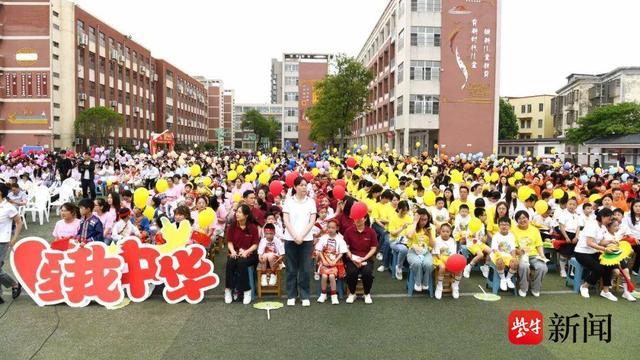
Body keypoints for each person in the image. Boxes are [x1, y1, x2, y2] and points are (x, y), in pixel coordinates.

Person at [282, 177, 317, 307]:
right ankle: (291, 295)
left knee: (305, 268)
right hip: (290, 239)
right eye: (301, 185)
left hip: (306, 240)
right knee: (291, 269)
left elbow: (312, 221)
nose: (304, 187)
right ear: (295, 187)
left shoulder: (311, 202)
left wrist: (301, 235)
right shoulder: (288, 201)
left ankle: (304, 295)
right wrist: (295, 236)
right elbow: (286, 220)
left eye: (305, 185)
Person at [574, 208, 618, 301]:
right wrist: (605, 249)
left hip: (593, 252)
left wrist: (611, 241)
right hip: (582, 252)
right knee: (599, 269)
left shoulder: (602, 227)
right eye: (609, 219)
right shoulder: (592, 225)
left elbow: (600, 241)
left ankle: (605, 291)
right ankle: (585, 286)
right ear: (602, 217)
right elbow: (589, 243)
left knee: (608, 263)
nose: (610, 221)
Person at [224, 204, 259, 305]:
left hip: (250, 255)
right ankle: (228, 290)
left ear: (246, 215)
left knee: (242, 262)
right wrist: (233, 252)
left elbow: (255, 244)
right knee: (230, 261)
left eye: (240, 212)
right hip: (235, 253)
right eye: (237, 212)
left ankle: (246, 291)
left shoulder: (252, 227)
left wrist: (247, 251)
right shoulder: (232, 226)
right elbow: (229, 242)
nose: (237, 214)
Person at [343, 212, 378, 304]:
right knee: (351, 272)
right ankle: (352, 293)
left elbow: (373, 248)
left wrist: (363, 258)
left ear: (365, 219)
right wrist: (352, 258)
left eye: (360, 217)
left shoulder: (371, 232)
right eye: (356, 218)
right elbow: (346, 247)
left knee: (367, 273)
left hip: (366, 258)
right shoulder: (348, 231)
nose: (358, 220)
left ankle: (366, 294)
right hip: (352, 258)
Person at [512, 210, 548, 297]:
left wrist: (542, 255)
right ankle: (523, 288)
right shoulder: (513, 231)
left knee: (542, 267)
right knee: (524, 266)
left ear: (528, 219)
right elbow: (514, 248)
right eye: (519, 218)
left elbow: (539, 244)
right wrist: (520, 252)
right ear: (516, 221)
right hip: (521, 255)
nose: (522, 220)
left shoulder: (535, 230)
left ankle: (535, 288)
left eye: (524, 218)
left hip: (534, 255)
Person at [0, 182, 23, 303]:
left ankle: (14, 284)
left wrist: (14, 239)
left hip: (2, 240)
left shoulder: (8, 207)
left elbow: (19, 222)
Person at [315, 219, 347, 304]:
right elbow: (319, 251)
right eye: (329, 227)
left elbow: (341, 253)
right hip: (324, 262)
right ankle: (323, 294)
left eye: (333, 228)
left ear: (337, 228)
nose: (330, 229)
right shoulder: (323, 238)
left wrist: (335, 261)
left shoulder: (340, 238)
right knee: (324, 276)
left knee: (332, 276)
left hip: (336, 262)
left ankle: (334, 295)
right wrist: (324, 260)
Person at [406, 208, 435, 294]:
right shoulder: (412, 226)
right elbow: (409, 236)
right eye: (421, 220)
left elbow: (433, 245)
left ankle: (425, 283)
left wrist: (429, 235)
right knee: (417, 263)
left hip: (426, 252)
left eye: (425, 219)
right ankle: (418, 283)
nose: (423, 222)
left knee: (428, 264)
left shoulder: (430, 228)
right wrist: (415, 222)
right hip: (413, 252)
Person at [432, 223, 461, 299]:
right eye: (443, 231)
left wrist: (451, 262)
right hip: (439, 258)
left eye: (447, 232)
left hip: (450, 259)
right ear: (439, 231)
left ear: (450, 232)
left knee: (460, 267)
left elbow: (453, 255)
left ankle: (455, 286)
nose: (445, 233)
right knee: (442, 267)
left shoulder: (453, 241)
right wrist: (445, 261)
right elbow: (437, 254)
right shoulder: (437, 240)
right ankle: (439, 286)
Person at [490, 217, 518, 291]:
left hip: (507, 255)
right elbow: (494, 250)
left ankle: (508, 278)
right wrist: (500, 257)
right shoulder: (496, 236)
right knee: (499, 261)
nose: (504, 226)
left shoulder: (511, 236)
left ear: (509, 226)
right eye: (502, 224)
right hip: (496, 255)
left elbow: (512, 249)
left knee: (515, 263)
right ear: (499, 226)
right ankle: (502, 279)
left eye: (506, 225)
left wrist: (514, 258)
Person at [556, 197, 581, 278]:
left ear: (576, 206)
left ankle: (571, 270)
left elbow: (578, 227)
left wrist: (576, 237)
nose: (572, 206)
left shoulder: (577, 215)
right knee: (564, 254)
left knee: (572, 255)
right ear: (566, 204)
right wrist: (566, 237)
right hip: (565, 234)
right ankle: (562, 270)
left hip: (574, 236)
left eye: (574, 204)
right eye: (570, 204)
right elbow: (561, 226)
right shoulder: (563, 213)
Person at [389, 200, 413, 280]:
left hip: (406, 240)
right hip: (395, 240)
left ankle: (412, 270)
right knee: (404, 249)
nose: (405, 212)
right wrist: (402, 228)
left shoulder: (409, 218)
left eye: (406, 210)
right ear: (399, 209)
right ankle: (399, 267)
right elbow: (392, 233)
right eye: (403, 210)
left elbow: (411, 230)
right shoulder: (393, 218)